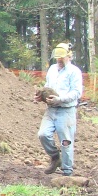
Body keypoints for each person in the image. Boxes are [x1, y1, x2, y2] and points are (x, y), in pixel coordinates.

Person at [35, 43, 84, 176]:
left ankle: (67, 172)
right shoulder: (52, 69)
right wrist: (42, 95)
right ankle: (55, 157)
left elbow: (77, 92)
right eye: (57, 58)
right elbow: (48, 86)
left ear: (69, 56)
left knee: (66, 142)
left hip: (66, 110)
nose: (59, 60)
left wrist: (60, 99)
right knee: (43, 134)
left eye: (61, 58)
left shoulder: (74, 72)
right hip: (51, 109)